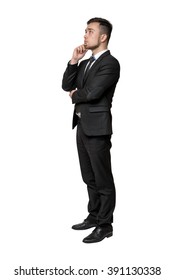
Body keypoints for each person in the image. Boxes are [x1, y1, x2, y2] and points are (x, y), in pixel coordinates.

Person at [62, 17, 120, 243]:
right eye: (85, 31)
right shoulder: (85, 63)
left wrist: (76, 95)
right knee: (89, 177)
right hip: (82, 125)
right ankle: (94, 216)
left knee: (102, 178)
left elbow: (93, 93)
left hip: (98, 128)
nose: (85, 35)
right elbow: (67, 86)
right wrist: (74, 61)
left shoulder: (110, 63)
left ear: (103, 36)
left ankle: (105, 225)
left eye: (90, 31)